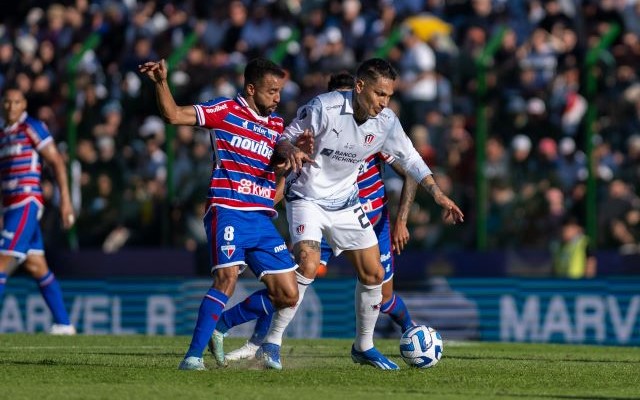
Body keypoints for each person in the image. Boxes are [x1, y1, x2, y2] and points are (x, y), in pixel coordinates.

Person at [209, 71, 423, 366]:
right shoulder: (320, 125)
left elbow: (409, 168)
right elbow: (294, 169)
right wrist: (265, 204)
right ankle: (263, 341)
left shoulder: (375, 130)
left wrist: (401, 219)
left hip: (368, 217)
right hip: (318, 208)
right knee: (300, 272)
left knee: (383, 294)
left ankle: (404, 330)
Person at [267, 58, 463, 370]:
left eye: (389, 96)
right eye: (379, 94)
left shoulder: (386, 121)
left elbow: (410, 158)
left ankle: (363, 346)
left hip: (346, 203)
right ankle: (271, 343)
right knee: (308, 264)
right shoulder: (325, 107)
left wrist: (437, 194)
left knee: (374, 275)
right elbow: (283, 136)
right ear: (359, 87)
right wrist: (292, 151)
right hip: (308, 197)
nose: (385, 103)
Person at [138, 58, 311, 371]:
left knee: (288, 294)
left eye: (280, 91)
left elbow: (276, 185)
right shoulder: (225, 110)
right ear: (251, 88)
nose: (277, 97)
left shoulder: (274, 125)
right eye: (272, 91)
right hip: (228, 208)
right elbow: (173, 115)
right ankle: (192, 357)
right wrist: (162, 82)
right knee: (226, 278)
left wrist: (287, 166)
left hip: (261, 217)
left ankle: (223, 324)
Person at [0, 85, 76, 335]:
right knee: (36, 266)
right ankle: (64, 325)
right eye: (7, 102)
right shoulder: (4, 134)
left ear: (24, 105)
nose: (11, 107)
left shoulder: (31, 127)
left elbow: (55, 160)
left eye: (16, 102)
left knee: (1, 263)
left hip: (27, 202)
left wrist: (65, 199)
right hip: (10, 206)